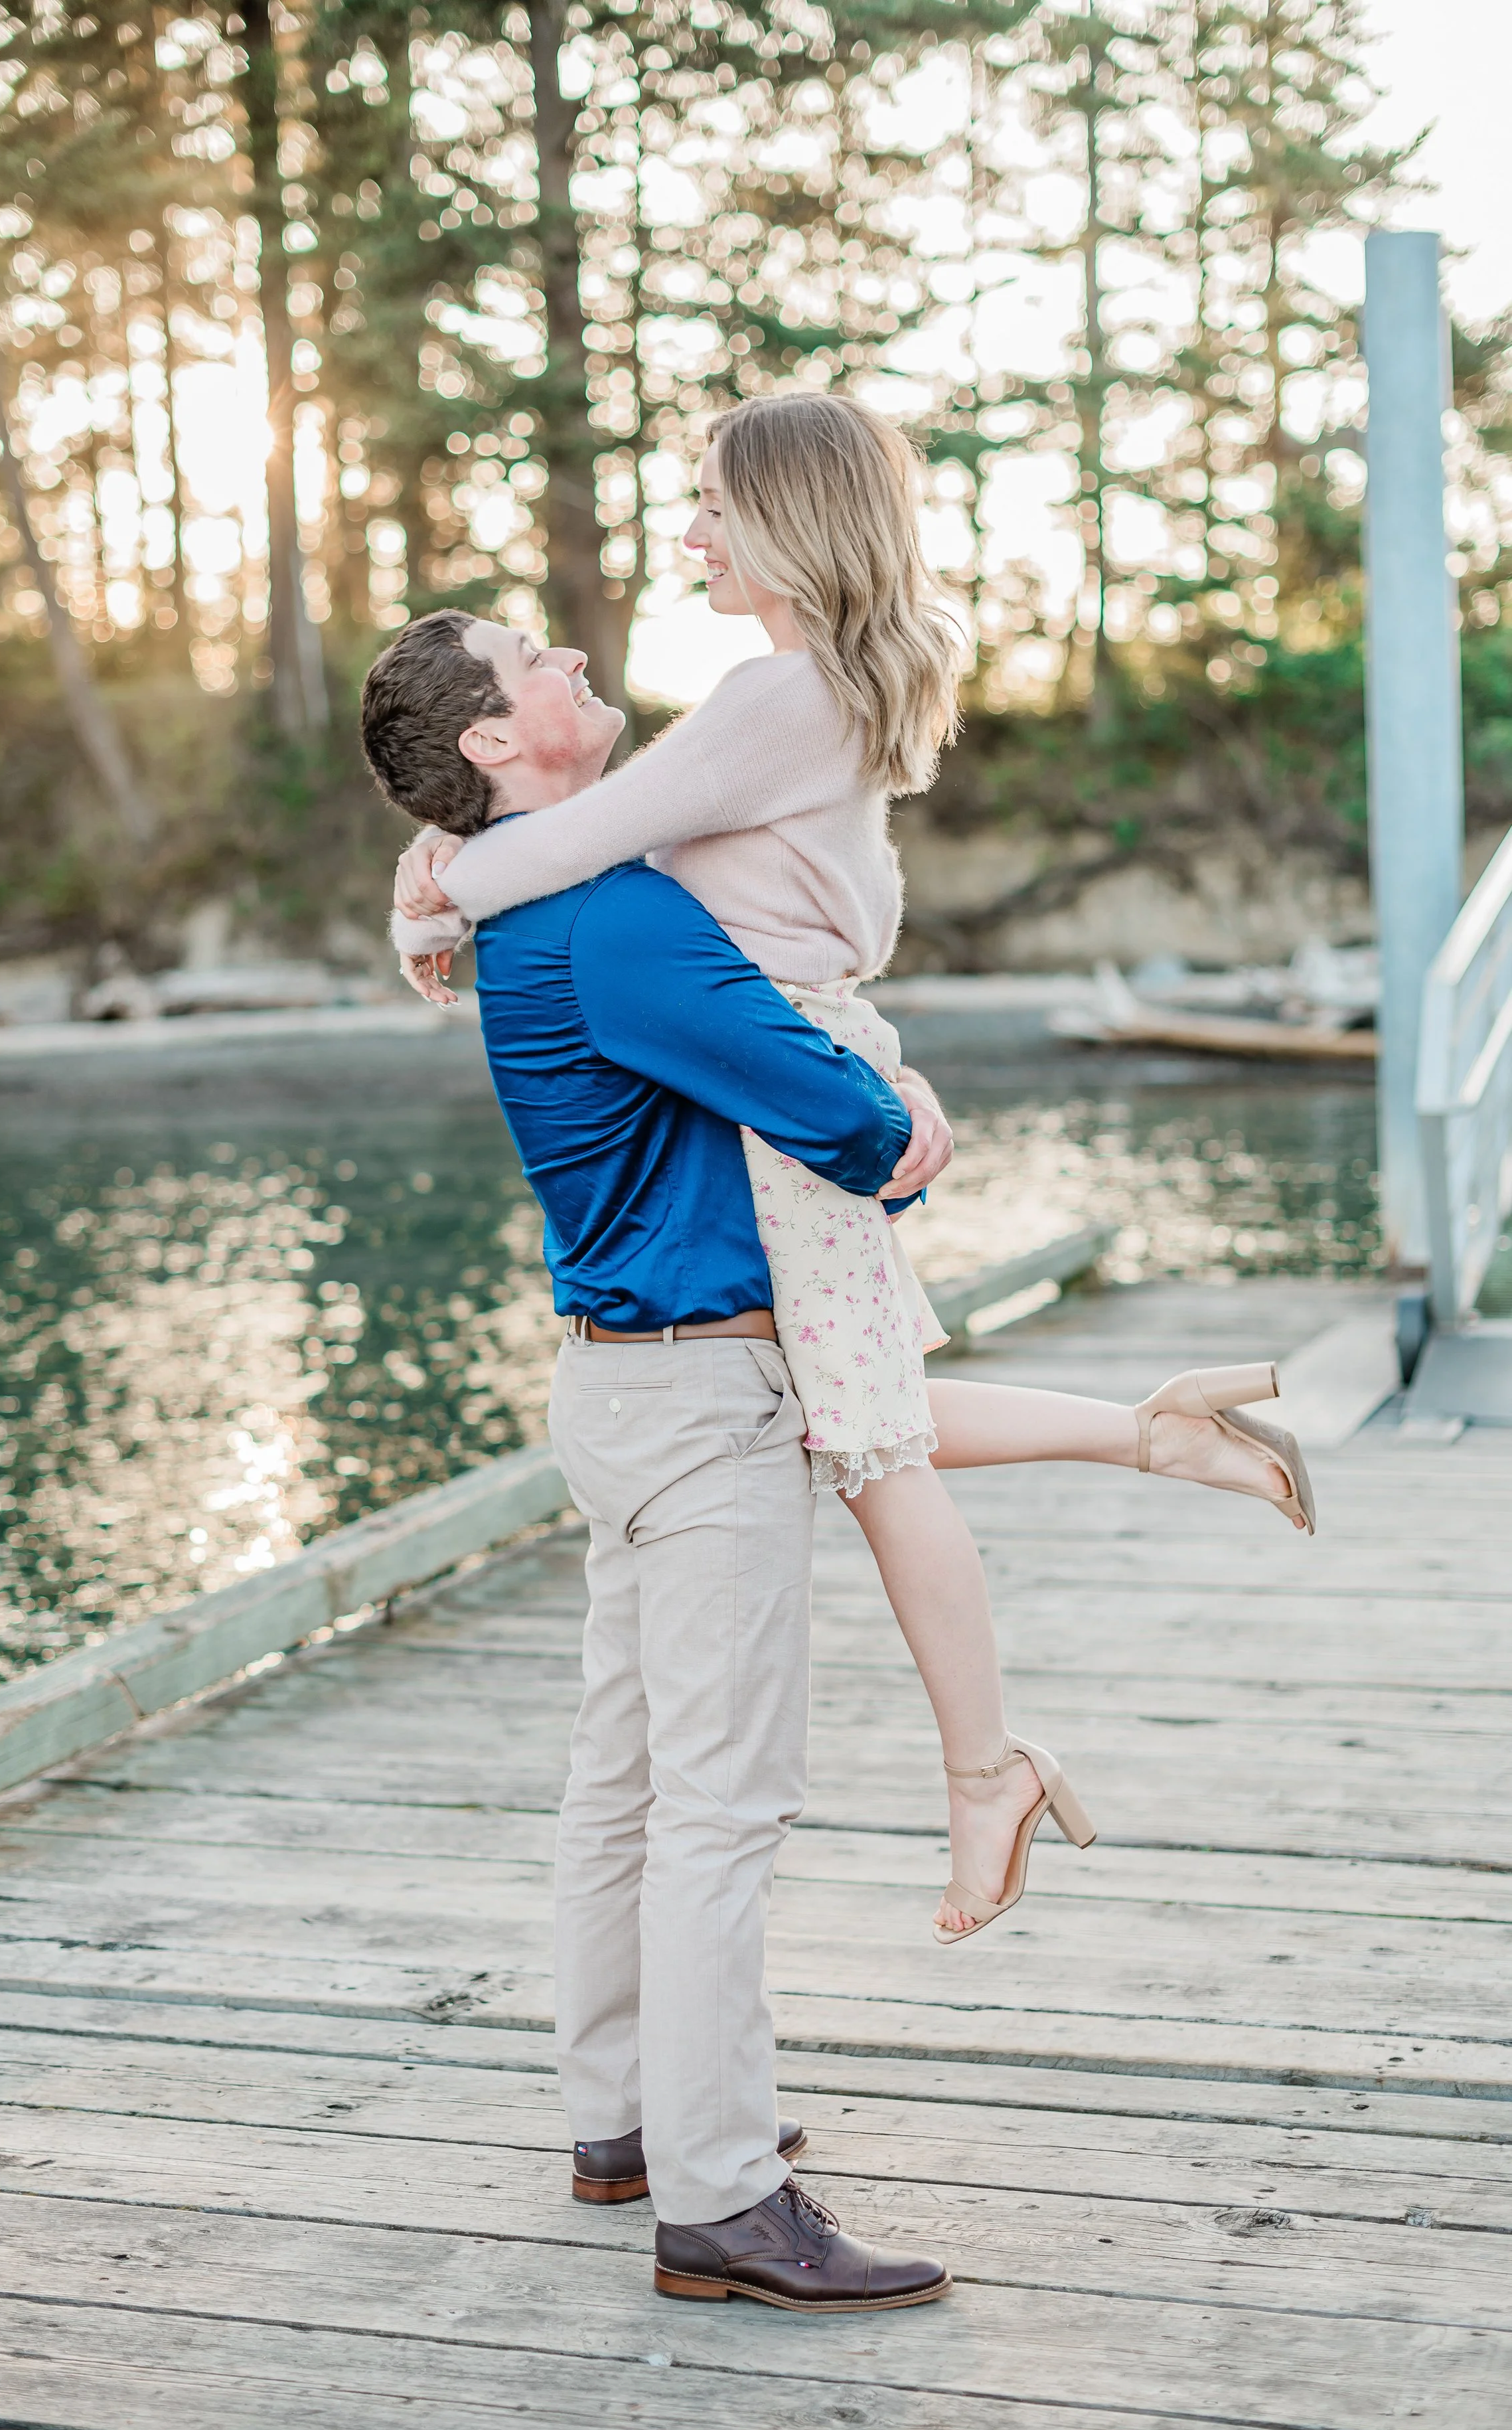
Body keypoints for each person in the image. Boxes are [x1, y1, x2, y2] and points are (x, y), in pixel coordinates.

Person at [390, 398, 1317, 1945]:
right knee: (860, 1397)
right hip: (795, 1049)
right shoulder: (820, 689)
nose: (684, 531)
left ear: (784, 521)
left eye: (704, 506)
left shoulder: (772, 696)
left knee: (871, 1447)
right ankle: (1153, 1436)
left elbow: (577, 845)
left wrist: (431, 896)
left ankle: (984, 1768)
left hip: (777, 1084)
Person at [361, 604, 953, 2311]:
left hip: (622, 1384)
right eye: (538, 657)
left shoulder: (537, 898)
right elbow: (841, 1122)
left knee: (621, 1785)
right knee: (720, 1804)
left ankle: (624, 2120)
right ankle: (719, 2197)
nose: (572, 660)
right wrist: (917, 1122)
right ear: (494, 740)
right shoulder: (614, 915)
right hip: (702, 1394)